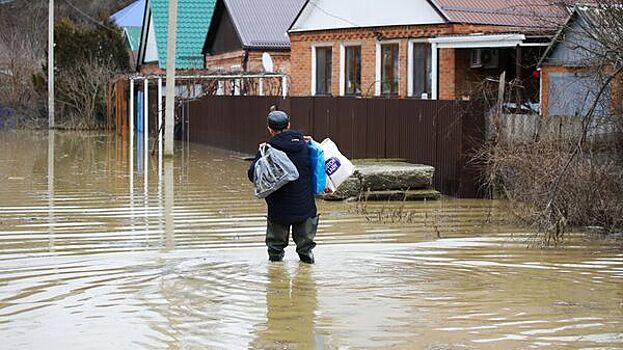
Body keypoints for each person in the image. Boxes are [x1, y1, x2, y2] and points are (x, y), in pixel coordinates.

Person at [248, 110, 318, 264]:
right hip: (305, 207)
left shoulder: (267, 150)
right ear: (289, 125)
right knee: (306, 250)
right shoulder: (305, 145)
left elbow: (253, 174)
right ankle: (307, 280)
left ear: (270, 129)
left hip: (279, 210)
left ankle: (276, 281)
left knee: (275, 249)